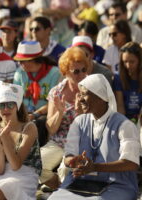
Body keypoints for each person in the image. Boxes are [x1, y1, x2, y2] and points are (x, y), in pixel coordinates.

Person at [48, 74, 140, 200]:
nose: (80, 99)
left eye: (85, 94)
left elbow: (131, 163)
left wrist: (95, 167)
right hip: (81, 182)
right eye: (79, 94)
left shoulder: (124, 125)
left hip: (117, 185)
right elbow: (68, 156)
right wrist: (74, 161)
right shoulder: (79, 122)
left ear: (101, 97)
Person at [43, 47, 89, 189]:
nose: (81, 74)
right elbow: (51, 128)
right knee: (33, 162)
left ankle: (62, 191)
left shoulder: (91, 90)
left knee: (66, 169)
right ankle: (56, 186)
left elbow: (92, 127)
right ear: (65, 72)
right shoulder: (56, 92)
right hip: (58, 141)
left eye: (83, 70)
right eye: (76, 71)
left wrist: (80, 112)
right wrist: (60, 112)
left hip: (80, 142)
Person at [114, 42, 142, 123]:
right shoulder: (118, 77)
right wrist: (123, 124)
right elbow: (120, 106)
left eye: (132, 62)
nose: (128, 66)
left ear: (140, 61)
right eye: (125, 61)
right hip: (125, 118)